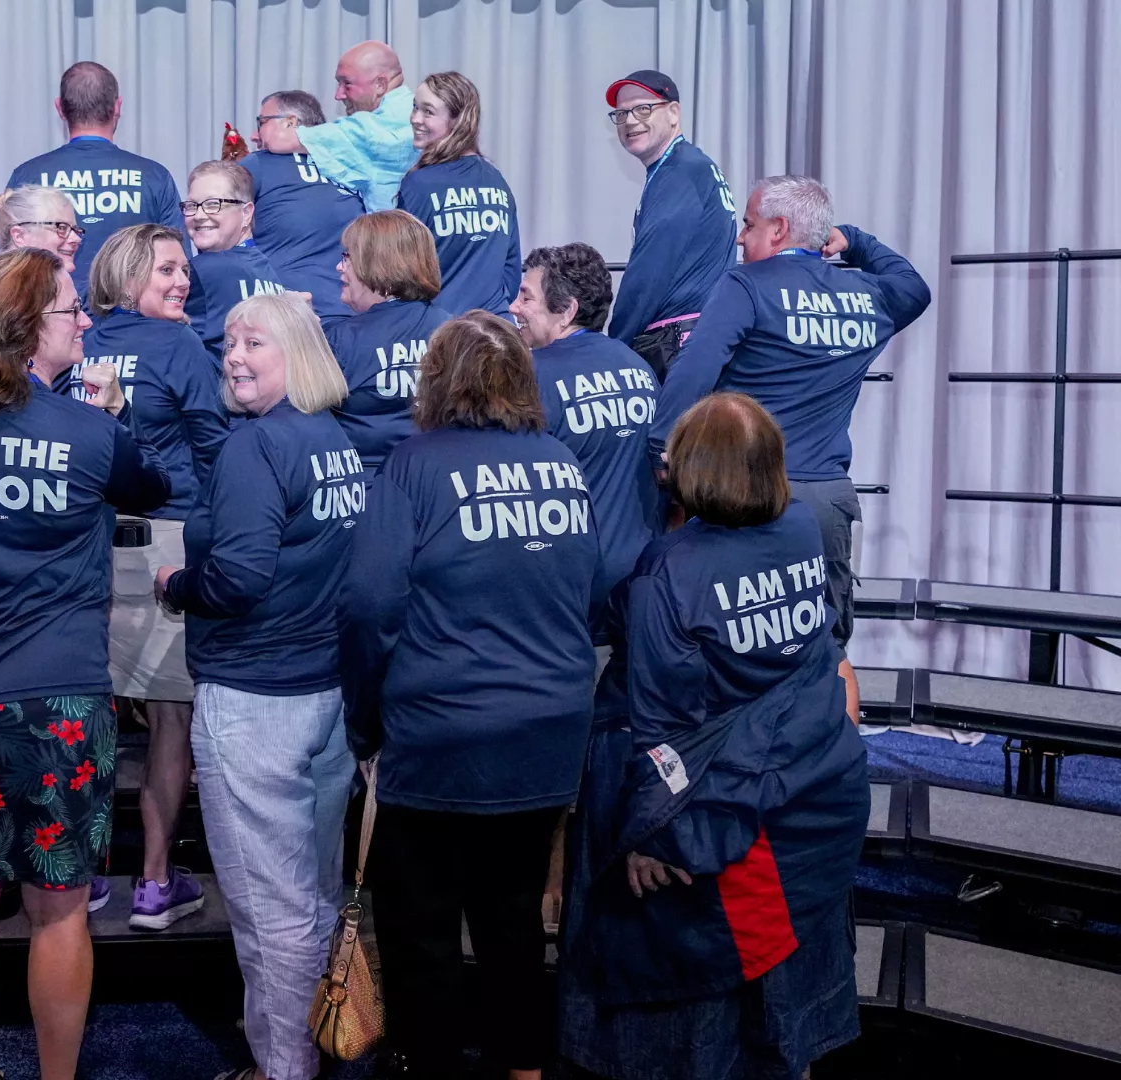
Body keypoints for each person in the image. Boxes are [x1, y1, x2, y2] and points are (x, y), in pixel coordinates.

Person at [0, 247, 171, 1080]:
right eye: (69, 311)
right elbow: (152, 489)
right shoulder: (90, 433)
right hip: (59, 697)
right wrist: (117, 417)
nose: (84, 320)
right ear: (27, 332)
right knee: (58, 912)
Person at [558, 393, 870, 1080]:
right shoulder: (801, 528)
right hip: (811, 785)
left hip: (720, 809)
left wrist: (650, 835)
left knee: (690, 1020)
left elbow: (659, 720)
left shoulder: (672, 567)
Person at [340, 311, 599, 1080]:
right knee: (514, 919)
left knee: (421, 934)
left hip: (440, 734)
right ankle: (524, 1067)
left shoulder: (414, 465)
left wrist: (365, 726)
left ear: (435, 381)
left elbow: (368, 606)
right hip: (548, 733)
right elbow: (587, 587)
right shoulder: (561, 462)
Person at [155, 291, 363, 1080]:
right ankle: (299, 1055)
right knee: (309, 897)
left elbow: (238, 577)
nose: (234, 357)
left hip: (256, 701)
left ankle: (285, 1069)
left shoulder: (257, 446)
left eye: (255, 344)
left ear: (298, 354)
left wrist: (177, 584)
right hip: (325, 702)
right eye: (230, 342)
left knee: (271, 912)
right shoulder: (332, 439)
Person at [654, 175, 930, 721]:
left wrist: (662, 450)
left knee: (726, 640)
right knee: (824, 648)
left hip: (745, 497)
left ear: (778, 230)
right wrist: (852, 239)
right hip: (824, 500)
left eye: (750, 225)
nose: (740, 238)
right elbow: (913, 287)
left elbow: (693, 371)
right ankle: (837, 774)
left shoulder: (747, 284)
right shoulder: (865, 295)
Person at [82, 223, 232, 929]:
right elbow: (215, 446)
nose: (184, 281)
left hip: (88, 548)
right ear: (128, 274)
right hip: (165, 545)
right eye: (168, 270)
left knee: (92, 714)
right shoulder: (180, 346)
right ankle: (151, 883)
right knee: (171, 716)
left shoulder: (77, 342)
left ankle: (78, 874)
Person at [511, 242, 660, 634]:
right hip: (640, 584)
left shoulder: (531, 377)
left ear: (567, 311)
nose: (514, 307)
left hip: (567, 593)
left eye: (526, 296)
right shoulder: (640, 368)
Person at [6, 61, 185, 302]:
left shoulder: (27, 176)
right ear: (117, 107)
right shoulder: (155, 177)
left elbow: (6, 262)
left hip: (49, 316)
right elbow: (179, 263)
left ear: (60, 109)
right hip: (127, 323)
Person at [602, 70, 737, 377]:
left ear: (673, 113)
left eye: (643, 108)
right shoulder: (689, 167)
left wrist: (614, 349)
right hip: (696, 340)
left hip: (678, 347)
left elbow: (650, 271)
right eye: (621, 113)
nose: (630, 121)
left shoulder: (680, 173)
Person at [324, 209, 453, 470]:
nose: (339, 267)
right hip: (442, 488)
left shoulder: (341, 339)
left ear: (376, 262)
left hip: (364, 495)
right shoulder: (458, 332)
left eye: (347, 257)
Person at [396, 71, 520, 318]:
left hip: (441, 332)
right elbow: (512, 270)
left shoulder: (419, 183)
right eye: (415, 108)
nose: (415, 119)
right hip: (494, 329)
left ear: (457, 121)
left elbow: (401, 270)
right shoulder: (496, 181)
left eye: (428, 111)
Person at [244, 90, 365, 320]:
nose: (253, 135)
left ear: (290, 122)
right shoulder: (353, 165)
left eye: (261, 123)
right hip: (333, 315)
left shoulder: (258, 164)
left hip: (295, 320)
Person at [284, 41, 419, 213]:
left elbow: (281, 140)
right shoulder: (426, 114)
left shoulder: (369, 131)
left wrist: (275, 124)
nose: (338, 95)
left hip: (394, 238)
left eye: (346, 83)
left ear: (380, 84)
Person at [182, 160, 286, 360]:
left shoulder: (205, 270)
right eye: (192, 205)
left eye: (214, 204)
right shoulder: (267, 271)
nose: (199, 215)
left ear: (246, 213)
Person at [0, 184, 86, 272]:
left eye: (75, 229)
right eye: (61, 228)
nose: (77, 239)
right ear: (19, 235)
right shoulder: (1, 288)